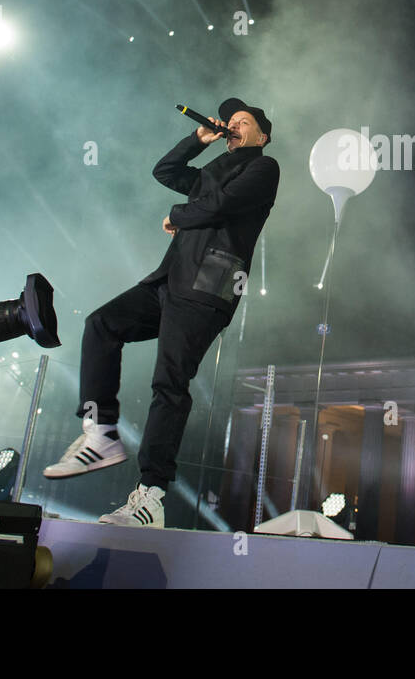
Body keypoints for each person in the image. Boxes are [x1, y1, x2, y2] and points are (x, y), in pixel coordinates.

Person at [43, 98, 279, 528]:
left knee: (169, 381)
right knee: (102, 324)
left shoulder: (264, 168)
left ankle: (150, 496)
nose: (233, 126)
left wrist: (177, 214)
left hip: (207, 287)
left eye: (242, 123)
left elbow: (220, 207)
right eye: (230, 122)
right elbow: (165, 172)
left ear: (261, 136)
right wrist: (198, 138)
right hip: (168, 281)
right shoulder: (210, 173)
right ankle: (101, 432)